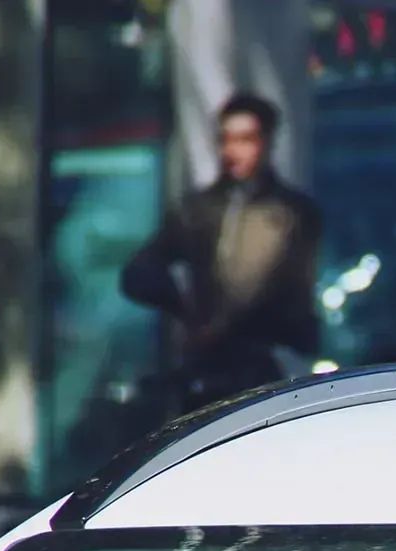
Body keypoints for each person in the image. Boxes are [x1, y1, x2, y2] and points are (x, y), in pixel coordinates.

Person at [122, 93, 321, 404]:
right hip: (203, 368)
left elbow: (292, 296)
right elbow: (140, 272)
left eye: (245, 139)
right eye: (226, 140)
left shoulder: (292, 213)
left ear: (266, 142)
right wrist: (181, 307)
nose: (233, 151)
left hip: (262, 366)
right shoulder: (199, 210)